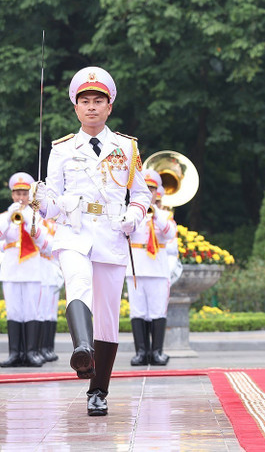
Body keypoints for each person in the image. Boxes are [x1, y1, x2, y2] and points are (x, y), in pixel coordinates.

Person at [34, 67, 152, 416]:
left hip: (111, 235)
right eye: (84, 101)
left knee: (108, 317)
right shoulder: (62, 149)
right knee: (78, 283)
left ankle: (97, 389)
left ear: (109, 106)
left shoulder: (126, 147)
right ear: (75, 107)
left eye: (98, 101)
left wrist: (134, 215)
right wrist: (43, 200)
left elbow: (141, 194)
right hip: (74, 231)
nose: (91, 107)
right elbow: (52, 205)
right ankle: (82, 349)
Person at [126, 169, 178, 366]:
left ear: (158, 192)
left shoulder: (165, 214)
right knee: (137, 311)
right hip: (136, 268)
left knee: (157, 311)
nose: (149, 192)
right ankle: (141, 352)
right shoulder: (131, 212)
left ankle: (157, 352)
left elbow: (169, 233)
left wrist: (155, 215)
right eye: (145, 188)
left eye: (152, 189)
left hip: (157, 269)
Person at [0, 172, 52, 368]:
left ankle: (31, 352)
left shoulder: (37, 217)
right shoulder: (5, 216)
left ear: (29, 196)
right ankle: (15, 353)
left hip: (31, 269)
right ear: (12, 195)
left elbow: (47, 244)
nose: (21, 197)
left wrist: (30, 221)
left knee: (30, 311)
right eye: (17, 193)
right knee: (14, 312)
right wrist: (9, 219)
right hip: (12, 270)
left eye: (24, 193)